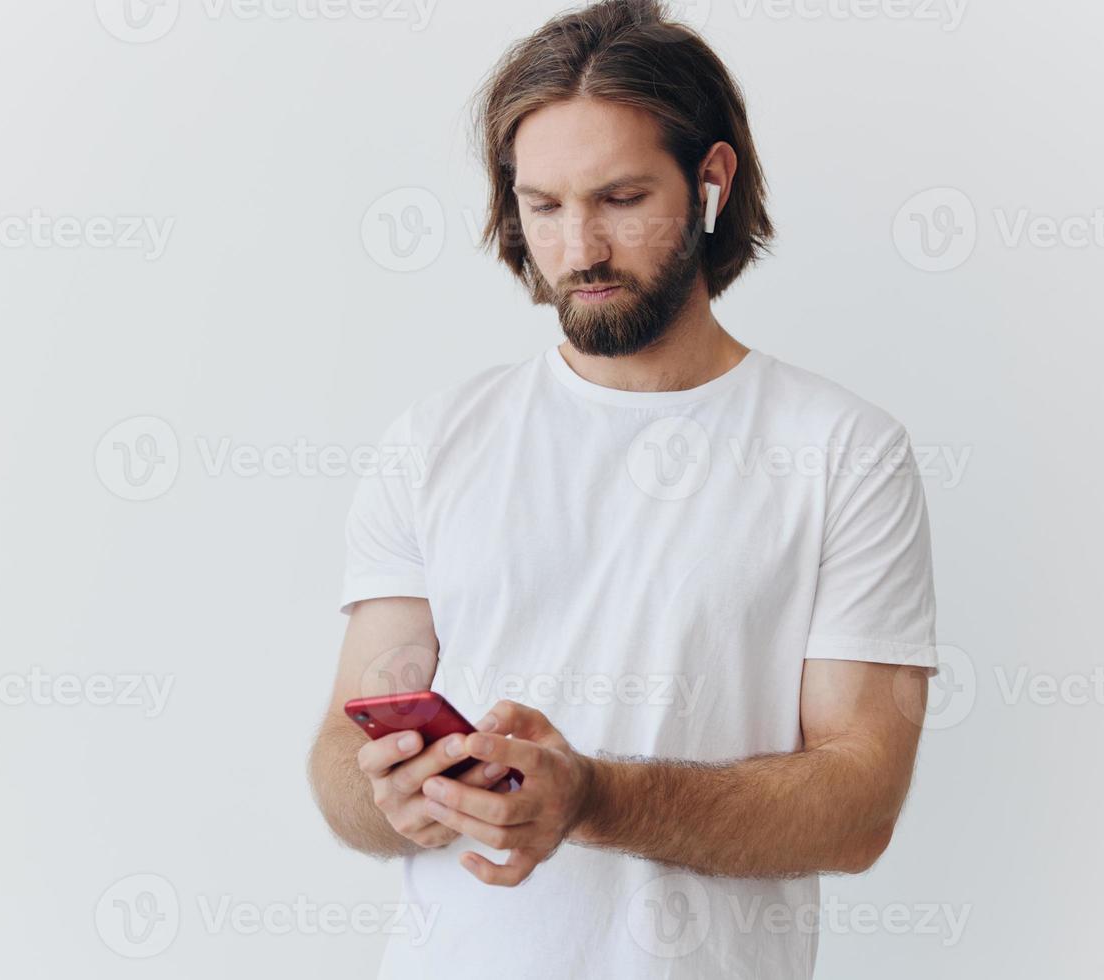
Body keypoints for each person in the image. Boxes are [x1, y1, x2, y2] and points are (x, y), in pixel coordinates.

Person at [309, 2, 939, 976]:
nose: (579, 249)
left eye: (620, 198)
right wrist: (392, 792)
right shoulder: (436, 441)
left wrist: (593, 799)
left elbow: (858, 806)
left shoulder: (845, 451)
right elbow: (343, 754)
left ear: (711, 181)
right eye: (545, 205)